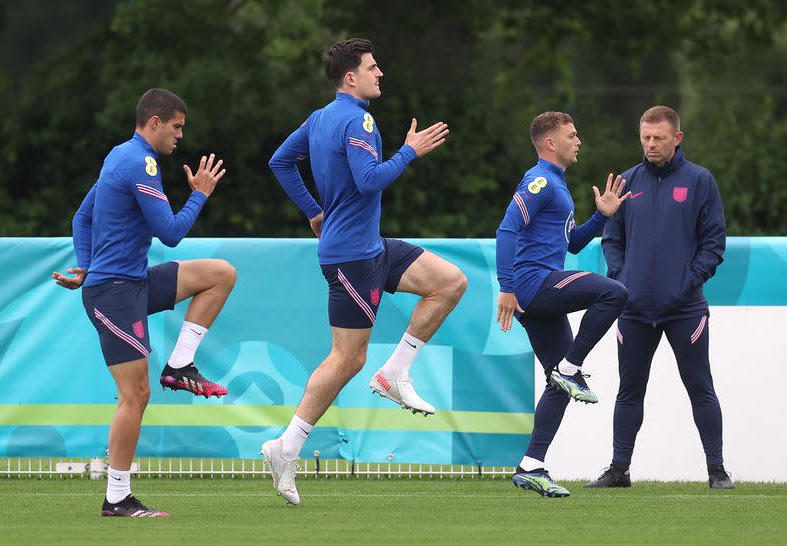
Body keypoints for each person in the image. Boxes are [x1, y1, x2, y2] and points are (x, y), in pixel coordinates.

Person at [266, 38, 467, 505]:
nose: (381, 74)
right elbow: (369, 178)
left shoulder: (320, 117)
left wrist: (314, 211)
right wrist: (409, 152)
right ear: (351, 77)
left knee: (449, 282)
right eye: (373, 67)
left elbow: (280, 161)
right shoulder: (359, 118)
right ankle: (286, 446)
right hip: (352, 257)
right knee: (347, 358)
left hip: (369, 246)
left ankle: (395, 373)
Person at [52, 88, 236, 517]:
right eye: (176, 127)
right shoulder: (141, 161)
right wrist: (200, 194)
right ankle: (117, 498)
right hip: (113, 294)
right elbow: (170, 232)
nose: (180, 137)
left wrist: (84, 264)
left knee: (220, 274)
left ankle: (180, 365)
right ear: (154, 122)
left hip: (130, 283)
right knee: (134, 395)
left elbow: (82, 217)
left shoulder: (119, 155)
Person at [587, 106, 732, 489]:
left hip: (686, 309)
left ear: (677, 138)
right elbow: (612, 240)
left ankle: (717, 471)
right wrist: (620, 279)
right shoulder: (626, 183)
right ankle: (619, 471)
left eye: (659, 138)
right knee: (628, 392)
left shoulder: (701, 181)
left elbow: (714, 244)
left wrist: (687, 282)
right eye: (645, 137)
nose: (651, 144)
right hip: (632, 310)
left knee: (701, 388)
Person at [495, 111, 630, 497]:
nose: (579, 141)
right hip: (532, 285)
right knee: (615, 292)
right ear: (550, 143)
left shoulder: (558, 185)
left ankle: (531, 465)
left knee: (558, 382)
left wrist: (601, 217)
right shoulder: (540, 180)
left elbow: (570, 243)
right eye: (572, 135)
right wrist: (507, 286)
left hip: (536, 291)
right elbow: (507, 228)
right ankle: (571, 368)